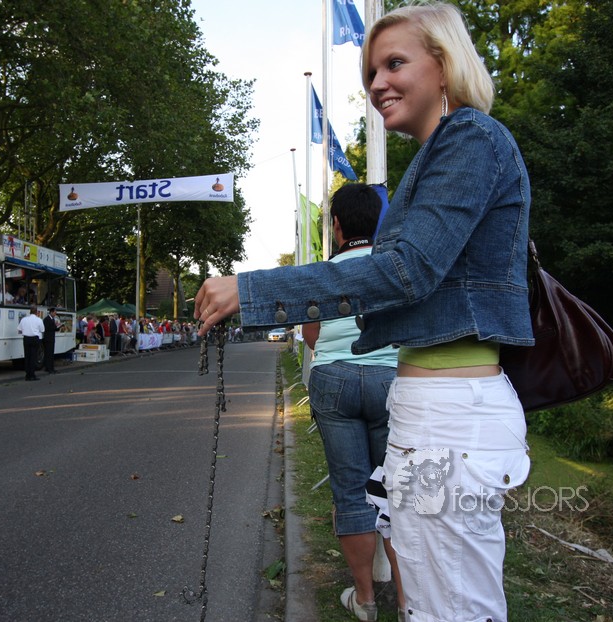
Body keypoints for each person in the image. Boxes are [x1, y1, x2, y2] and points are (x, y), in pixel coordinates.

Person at [194, 3, 533, 621]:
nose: (377, 83)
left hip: (453, 418)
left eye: (394, 63)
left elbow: (405, 270)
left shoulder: (471, 138)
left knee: (455, 608)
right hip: (426, 407)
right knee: (428, 603)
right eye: (371, 72)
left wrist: (253, 291)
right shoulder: (439, 153)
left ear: (445, 64)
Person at [302, 184, 404, 621]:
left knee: (351, 492)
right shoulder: (395, 266)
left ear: (336, 225)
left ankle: (364, 600)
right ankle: (406, 602)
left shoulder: (321, 274)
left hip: (334, 379)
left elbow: (311, 335)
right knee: (396, 491)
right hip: (391, 380)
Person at [17, 305, 44, 381]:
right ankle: (32, 375)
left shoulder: (24, 319)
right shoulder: (39, 320)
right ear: (36, 312)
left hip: (26, 339)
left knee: (27, 357)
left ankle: (27, 375)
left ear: (30, 311)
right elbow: (42, 330)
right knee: (33, 357)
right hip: (34, 338)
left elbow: (19, 329)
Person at [42, 307, 60, 374]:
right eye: (55, 313)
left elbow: (54, 328)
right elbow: (47, 328)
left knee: (51, 354)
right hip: (48, 339)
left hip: (51, 338)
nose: (55, 314)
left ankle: (50, 367)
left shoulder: (52, 319)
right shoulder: (46, 319)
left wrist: (58, 327)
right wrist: (54, 327)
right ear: (51, 312)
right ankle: (49, 368)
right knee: (48, 354)